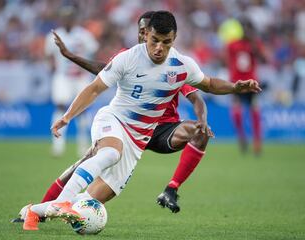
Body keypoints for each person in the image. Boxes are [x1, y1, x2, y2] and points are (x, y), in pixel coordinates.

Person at [22, 11, 261, 231]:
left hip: (138, 141)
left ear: (174, 38)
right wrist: (67, 116)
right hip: (114, 120)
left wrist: (235, 87)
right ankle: (62, 202)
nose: (159, 48)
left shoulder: (181, 65)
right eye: (154, 40)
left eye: (166, 42)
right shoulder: (128, 58)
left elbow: (208, 84)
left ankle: (34, 211)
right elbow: (95, 88)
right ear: (146, 34)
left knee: (92, 199)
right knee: (110, 154)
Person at [45, 7, 99, 157]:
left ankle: (83, 146)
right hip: (62, 76)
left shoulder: (84, 35)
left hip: (80, 76)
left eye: (70, 17)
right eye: (65, 17)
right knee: (60, 107)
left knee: (82, 110)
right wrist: (51, 67)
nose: (67, 20)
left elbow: (93, 51)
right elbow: (48, 55)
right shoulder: (55, 35)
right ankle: (58, 145)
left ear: (74, 19)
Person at [227, 19, 267, 155]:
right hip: (237, 82)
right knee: (237, 110)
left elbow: (265, 59)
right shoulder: (232, 45)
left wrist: (255, 47)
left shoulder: (255, 44)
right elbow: (227, 60)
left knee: (254, 109)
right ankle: (242, 137)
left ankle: (257, 142)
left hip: (251, 82)